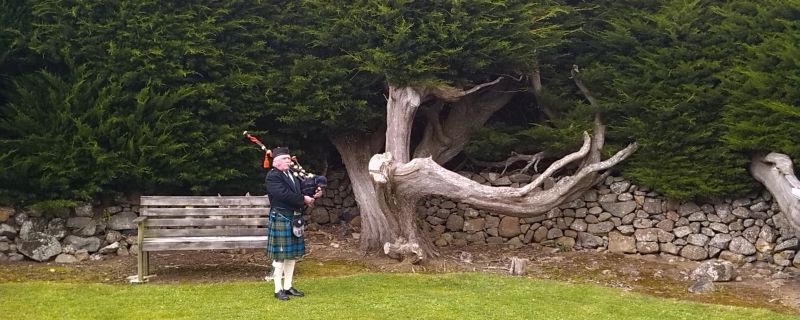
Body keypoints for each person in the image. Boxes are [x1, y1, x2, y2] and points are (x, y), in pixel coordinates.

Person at [265, 147, 320, 301]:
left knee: (291, 255)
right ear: (276, 162)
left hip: (294, 217)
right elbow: (283, 194)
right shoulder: (273, 176)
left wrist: (314, 192)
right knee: (280, 256)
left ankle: (288, 286)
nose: (288, 161)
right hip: (282, 216)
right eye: (285, 159)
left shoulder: (290, 174)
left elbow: (301, 189)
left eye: (289, 158)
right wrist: (303, 199)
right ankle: (278, 289)